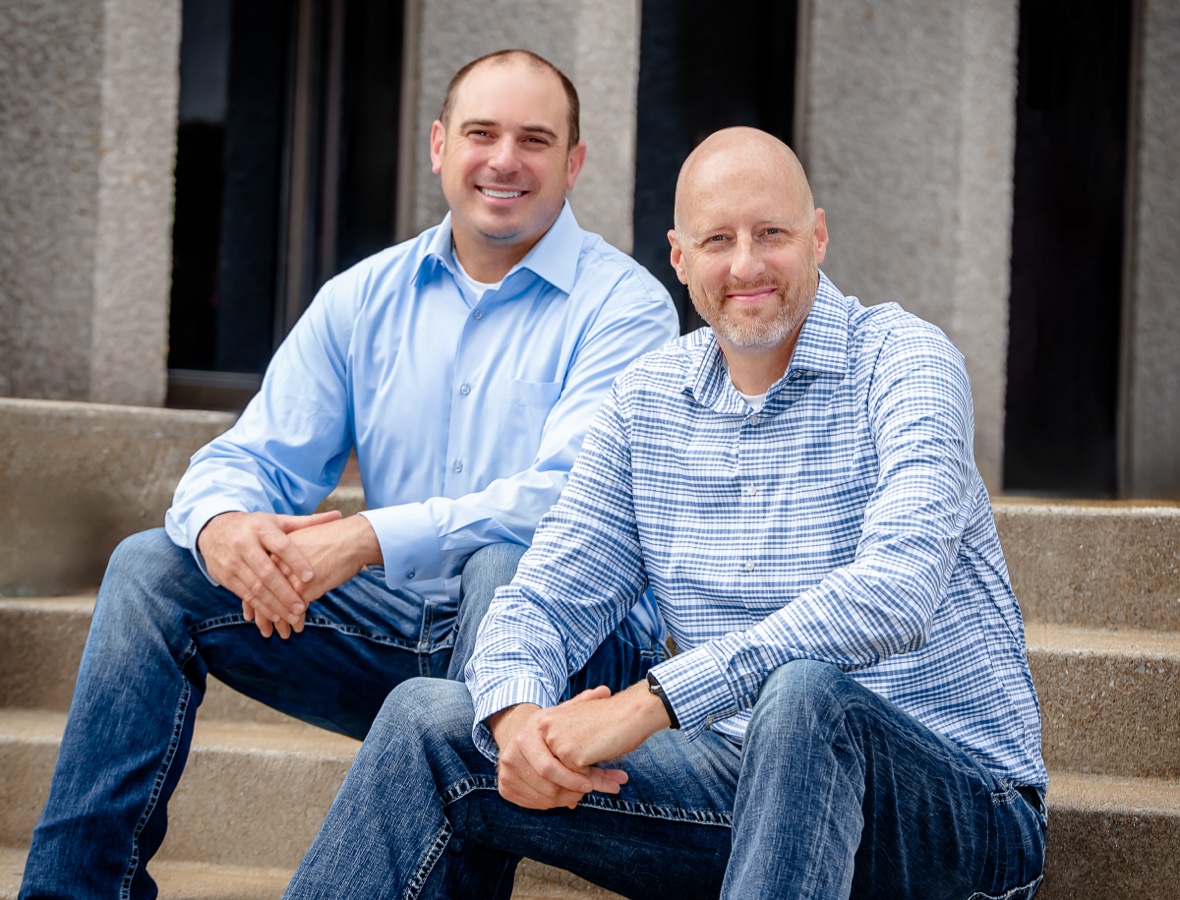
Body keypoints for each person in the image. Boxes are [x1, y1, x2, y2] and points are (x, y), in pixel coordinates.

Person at [284, 127, 1048, 900]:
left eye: (772, 234)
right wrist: (519, 723)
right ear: (681, 259)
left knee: (805, 698)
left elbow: (896, 590)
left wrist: (652, 702)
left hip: (956, 817)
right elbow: (545, 595)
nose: (745, 264)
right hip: (741, 791)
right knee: (429, 722)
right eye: (718, 240)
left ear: (817, 237)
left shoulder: (905, 362)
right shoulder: (646, 402)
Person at [20, 50, 679, 899]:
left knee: (504, 567)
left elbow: (567, 507)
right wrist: (225, 527)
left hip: (568, 653)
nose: (504, 160)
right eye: (482, 133)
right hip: (403, 635)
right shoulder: (362, 299)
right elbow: (244, 460)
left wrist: (368, 537)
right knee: (154, 568)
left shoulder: (624, 307)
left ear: (574, 162)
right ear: (440, 145)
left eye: (536, 139)